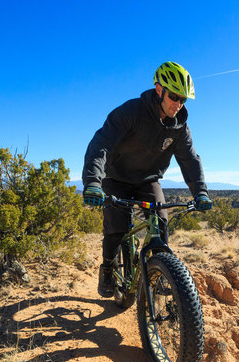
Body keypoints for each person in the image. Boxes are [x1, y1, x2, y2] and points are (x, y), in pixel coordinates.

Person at [81, 61, 213, 297]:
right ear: (159, 89)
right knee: (116, 228)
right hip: (116, 178)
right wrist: (93, 182)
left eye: (183, 99)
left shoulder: (179, 126)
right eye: (174, 96)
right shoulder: (131, 112)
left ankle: (159, 269)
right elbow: (101, 145)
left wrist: (200, 192)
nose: (178, 104)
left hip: (148, 180)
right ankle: (108, 269)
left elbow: (190, 159)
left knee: (160, 222)